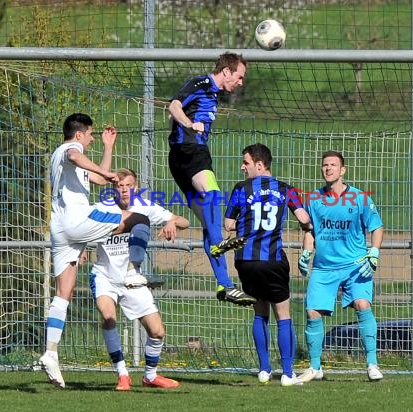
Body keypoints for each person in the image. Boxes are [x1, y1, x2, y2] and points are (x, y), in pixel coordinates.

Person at [41, 113, 151, 389]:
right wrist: (107, 172)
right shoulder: (70, 150)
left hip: (60, 229)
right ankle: (133, 270)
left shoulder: (65, 159)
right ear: (79, 134)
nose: (91, 138)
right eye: (91, 134)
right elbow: (80, 159)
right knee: (138, 219)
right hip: (77, 221)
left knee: (63, 292)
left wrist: (108, 147)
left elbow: (100, 181)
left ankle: (51, 352)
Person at [89, 168, 190, 391]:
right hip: (104, 275)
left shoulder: (146, 207)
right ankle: (123, 374)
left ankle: (150, 376)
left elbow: (184, 221)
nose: (124, 190)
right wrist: (80, 249)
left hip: (133, 277)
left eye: (129, 186)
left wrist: (171, 222)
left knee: (158, 332)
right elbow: (82, 229)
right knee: (108, 317)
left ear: (136, 188)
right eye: (119, 186)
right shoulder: (101, 208)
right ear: (113, 188)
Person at [168, 52, 254, 306]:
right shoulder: (201, 84)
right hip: (191, 152)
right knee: (214, 195)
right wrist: (188, 124)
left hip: (179, 160)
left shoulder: (213, 95)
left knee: (209, 221)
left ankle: (225, 285)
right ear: (226, 71)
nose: (240, 82)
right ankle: (218, 245)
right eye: (239, 77)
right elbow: (173, 106)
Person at [224, 143, 312, 386]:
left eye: (246, 162)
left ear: (260, 165)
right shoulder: (286, 189)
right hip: (272, 260)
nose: (243, 167)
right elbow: (304, 218)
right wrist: (307, 230)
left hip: (246, 260)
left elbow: (228, 224)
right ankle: (287, 373)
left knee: (259, 312)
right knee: (283, 314)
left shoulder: (241, 189)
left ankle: (264, 370)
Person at [297, 150, 385, 383]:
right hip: (324, 267)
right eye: (325, 165)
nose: (328, 168)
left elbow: (377, 227)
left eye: (333, 165)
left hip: (355, 266)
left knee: (362, 304)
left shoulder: (359, 198)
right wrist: (306, 252)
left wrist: (373, 253)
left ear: (342, 170)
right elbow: (310, 232)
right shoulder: (313, 199)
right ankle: (315, 367)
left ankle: (372, 364)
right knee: (312, 312)